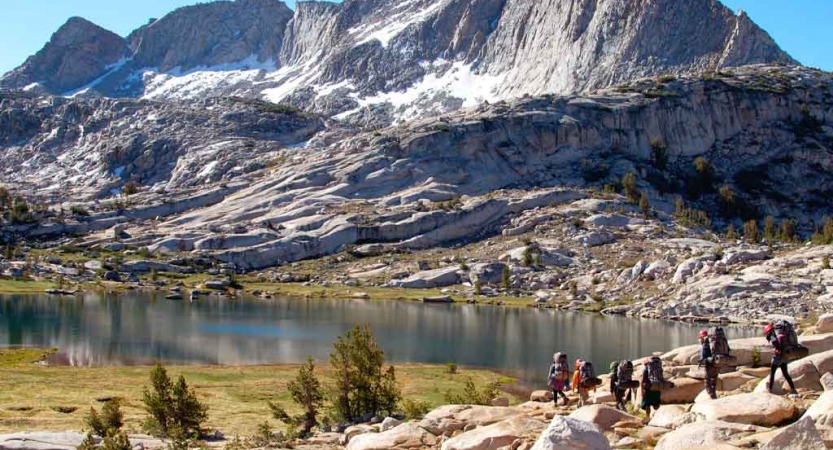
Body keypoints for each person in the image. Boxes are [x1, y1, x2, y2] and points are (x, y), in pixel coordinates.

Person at [764, 323, 798, 395]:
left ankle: (770, 390)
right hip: (784, 356)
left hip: (777, 357)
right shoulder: (781, 333)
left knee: (772, 374)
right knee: (786, 374)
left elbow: (775, 342)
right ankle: (793, 389)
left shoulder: (772, 334)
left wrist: (777, 348)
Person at [698, 329, 719, 399]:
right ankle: (714, 395)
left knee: (707, 382)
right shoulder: (713, 343)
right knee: (713, 383)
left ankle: (711, 396)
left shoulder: (705, 345)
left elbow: (704, 357)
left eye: (700, 338)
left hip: (709, 366)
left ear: (702, 338)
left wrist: (700, 362)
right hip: (716, 365)